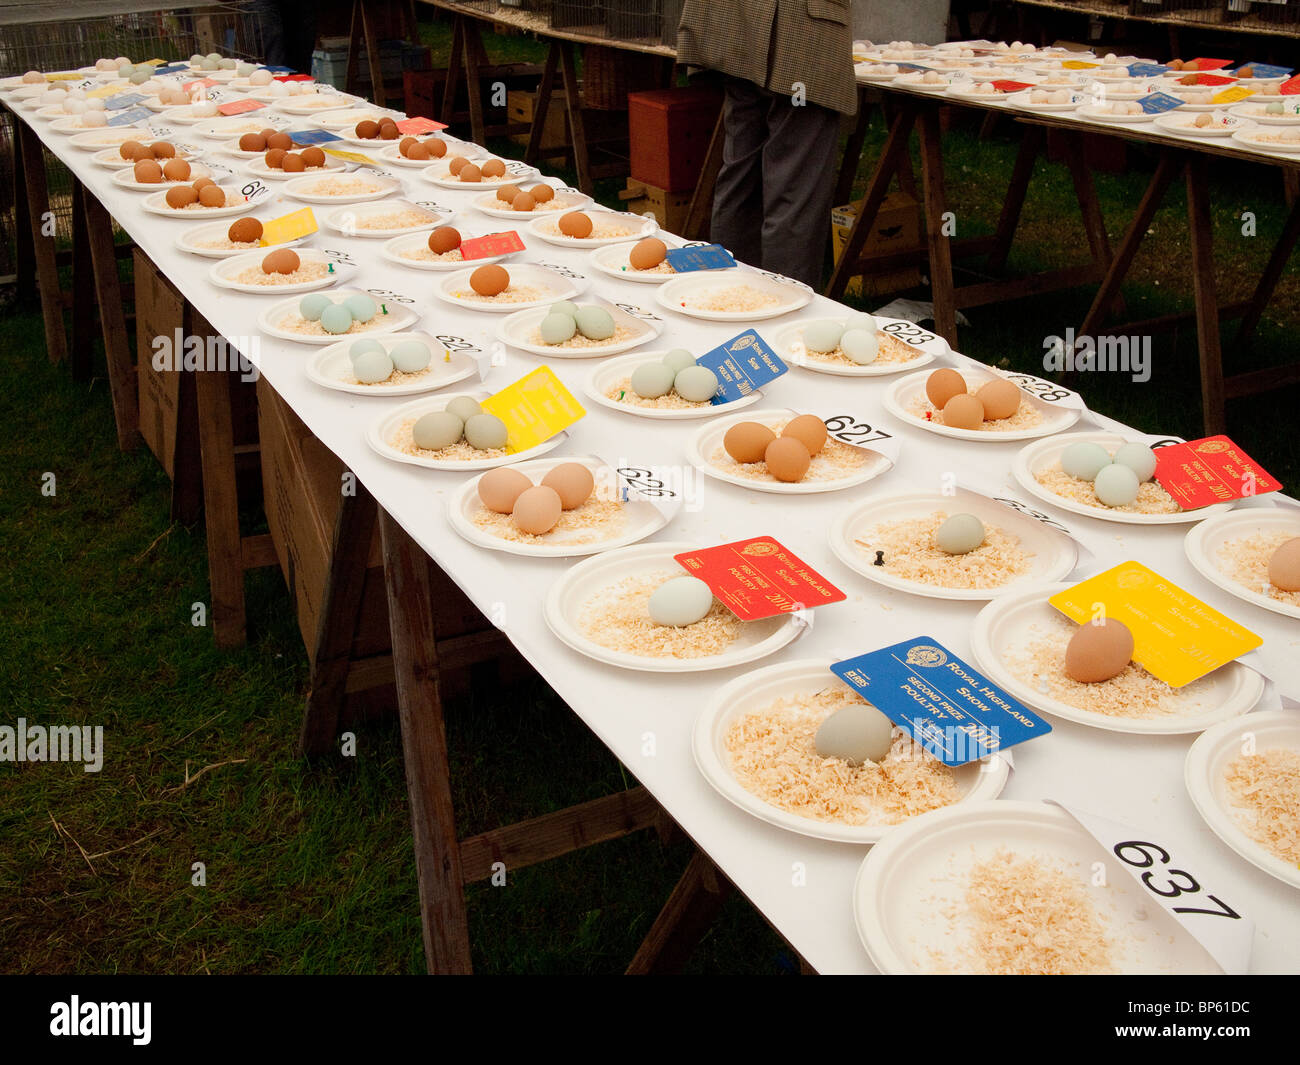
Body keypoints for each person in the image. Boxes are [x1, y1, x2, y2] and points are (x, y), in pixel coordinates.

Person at [676, 0, 856, 288]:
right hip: (801, 30)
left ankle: (728, 298)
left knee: (741, 175)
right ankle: (785, 311)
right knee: (794, 190)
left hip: (738, 23)